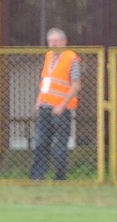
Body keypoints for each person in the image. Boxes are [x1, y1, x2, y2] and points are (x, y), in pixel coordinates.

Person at [29, 28, 81, 180]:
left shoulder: (72, 58)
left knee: (59, 145)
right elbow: (46, 81)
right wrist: (39, 101)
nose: (53, 44)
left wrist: (62, 105)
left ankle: (60, 177)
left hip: (61, 110)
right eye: (51, 41)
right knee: (40, 143)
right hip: (45, 107)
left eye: (57, 41)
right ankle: (37, 176)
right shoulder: (48, 57)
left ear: (64, 42)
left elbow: (76, 85)